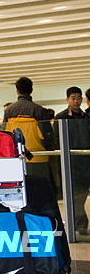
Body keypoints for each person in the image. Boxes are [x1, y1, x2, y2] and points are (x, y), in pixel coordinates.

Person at [54, 86, 90, 236]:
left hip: (85, 161)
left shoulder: (85, 117)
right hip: (69, 161)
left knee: (81, 194)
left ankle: (78, 223)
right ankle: (78, 223)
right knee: (75, 195)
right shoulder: (61, 117)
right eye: (73, 98)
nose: (76, 101)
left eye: (78, 98)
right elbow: (57, 140)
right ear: (67, 99)